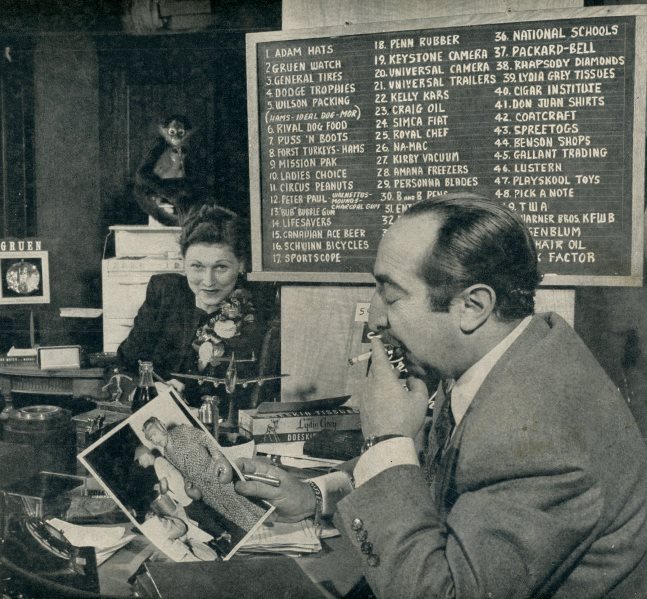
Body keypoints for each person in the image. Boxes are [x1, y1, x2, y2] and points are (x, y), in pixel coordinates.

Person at [235, 193, 647, 598]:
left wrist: (386, 440)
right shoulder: (511, 353)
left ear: (472, 306)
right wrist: (315, 496)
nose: (375, 319)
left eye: (391, 295)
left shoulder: (534, 437)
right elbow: (442, 480)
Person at [116, 204, 267, 408]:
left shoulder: (256, 307)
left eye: (221, 267)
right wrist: (145, 390)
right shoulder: (165, 293)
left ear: (241, 264)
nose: (208, 281)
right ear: (183, 262)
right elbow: (122, 367)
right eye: (197, 266)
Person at [143, 416, 266, 532]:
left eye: (154, 434)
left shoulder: (181, 431)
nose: (154, 439)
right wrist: (189, 485)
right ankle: (255, 533)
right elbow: (184, 471)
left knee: (242, 504)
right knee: (230, 514)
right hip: (204, 489)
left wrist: (218, 458)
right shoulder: (166, 453)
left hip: (215, 474)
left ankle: (265, 526)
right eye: (151, 439)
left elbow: (207, 439)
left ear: (162, 426)